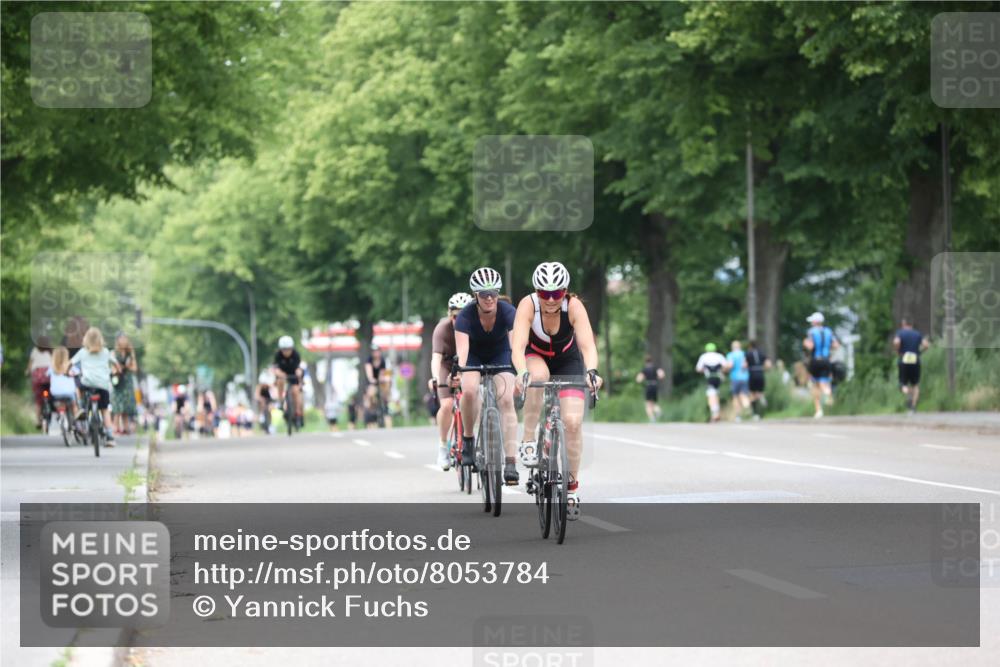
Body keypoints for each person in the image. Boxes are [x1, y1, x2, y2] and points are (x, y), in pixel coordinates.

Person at [513, 261, 602, 519]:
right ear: (537, 292)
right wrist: (521, 373)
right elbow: (518, 346)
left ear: (565, 291)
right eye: (545, 293)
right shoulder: (528, 305)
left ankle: (572, 487)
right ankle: (529, 439)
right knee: (537, 377)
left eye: (557, 293)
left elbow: (588, 346)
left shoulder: (573, 306)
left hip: (568, 359)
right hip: (535, 355)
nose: (551, 299)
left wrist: (592, 371)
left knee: (573, 422)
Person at [454, 267, 518, 482]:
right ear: (476, 296)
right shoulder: (465, 315)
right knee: (470, 391)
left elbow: (515, 345)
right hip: (474, 355)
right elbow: (462, 352)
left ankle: (510, 462)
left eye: (493, 293)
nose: (490, 298)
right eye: (484, 294)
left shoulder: (508, 311)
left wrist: (520, 369)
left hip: (501, 354)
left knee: (507, 398)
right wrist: (460, 370)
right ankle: (469, 441)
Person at [428, 292, 475, 470]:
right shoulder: (442, 329)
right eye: (456, 317)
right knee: (447, 405)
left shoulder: (476, 328)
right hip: (447, 365)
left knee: (472, 397)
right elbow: (436, 358)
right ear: (450, 316)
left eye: (464, 316)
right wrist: (435, 377)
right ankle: (442, 445)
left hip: (468, 365)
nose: (459, 321)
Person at [69, 327, 118, 446]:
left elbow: (70, 363)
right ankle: (110, 437)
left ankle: (81, 406)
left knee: (78, 384)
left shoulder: (82, 352)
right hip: (103, 385)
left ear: (86, 340)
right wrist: (117, 370)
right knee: (105, 411)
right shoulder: (105, 351)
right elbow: (116, 363)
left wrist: (66, 371)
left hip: (87, 384)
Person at [803, 312, 840, 418]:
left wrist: (805, 343)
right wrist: (828, 348)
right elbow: (836, 345)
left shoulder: (811, 332)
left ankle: (819, 410)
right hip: (827, 360)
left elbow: (810, 346)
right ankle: (828, 393)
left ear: (815, 322)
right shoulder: (829, 331)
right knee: (825, 382)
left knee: (815, 385)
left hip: (816, 360)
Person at [894, 316, 929, 414]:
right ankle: (913, 407)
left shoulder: (900, 333)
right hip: (915, 358)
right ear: (912, 325)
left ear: (904, 324)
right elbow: (926, 345)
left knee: (902, 384)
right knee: (915, 384)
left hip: (904, 358)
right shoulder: (917, 334)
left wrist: (898, 351)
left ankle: (908, 393)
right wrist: (920, 352)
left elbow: (896, 342)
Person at [274, 335, 304, 427]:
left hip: (293, 374)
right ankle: (280, 400)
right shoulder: (278, 355)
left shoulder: (296, 355)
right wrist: (279, 373)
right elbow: (276, 368)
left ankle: (298, 413)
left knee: (296, 391)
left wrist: (298, 373)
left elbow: (299, 368)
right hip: (282, 374)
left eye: (288, 349)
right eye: (284, 349)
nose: (286, 352)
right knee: (280, 381)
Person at [111, 334, 138, 435]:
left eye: (125, 339)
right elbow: (112, 369)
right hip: (118, 381)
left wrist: (127, 367)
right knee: (117, 405)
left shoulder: (130, 353)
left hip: (127, 381)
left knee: (126, 406)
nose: (123, 341)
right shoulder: (114, 353)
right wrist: (118, 369)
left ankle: (126, 428)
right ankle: (116, 427)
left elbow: (135, 368)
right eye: (121, 339)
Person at [25, 337, 53, 429]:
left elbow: (30, 364)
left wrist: (27, 371)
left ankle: (38, 420)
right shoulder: (50, 351)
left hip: (37, 377)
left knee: (38, 400)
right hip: (48, 376)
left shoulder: (35, 351)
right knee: (52, 393)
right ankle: (52, 406)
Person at [695, 343, 727, 422]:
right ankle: (717, 413)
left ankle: (714, 413)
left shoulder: (704, 357)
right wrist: (722, 371)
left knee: (711, 395)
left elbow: (698, 368)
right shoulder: (719, 356)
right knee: (716, 394)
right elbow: (726, 366)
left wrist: (704, 370)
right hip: (719, 377)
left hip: (710, 377)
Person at [365, 344, 392, 428]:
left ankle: (386, 399)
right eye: (374, 352)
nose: (376, 353)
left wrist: (384, 379)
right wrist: (372, 379)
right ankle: (370, 408)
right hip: (372, 381)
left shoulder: (383, 360)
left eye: (377, 351)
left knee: (387, 384)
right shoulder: (369, 360)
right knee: (371, 393)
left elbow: (383, 372)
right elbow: (369, 373)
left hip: (380, 381)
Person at [46, 346, 77, 416]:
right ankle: (78, 422)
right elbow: (77, 372)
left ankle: (61, 415)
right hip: (69, 392)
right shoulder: (70, 366)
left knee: (60, 404)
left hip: (55, 392)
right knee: (74, 405)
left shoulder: (52, 367)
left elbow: (47, 374)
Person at [745, 340, 771, 420]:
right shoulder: (762, 353)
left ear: (750, 346)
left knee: (752, 394)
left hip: (752, 373)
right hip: (760, 372)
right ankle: (761, 397)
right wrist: (764, 369)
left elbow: (744, 365)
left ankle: (755, 413)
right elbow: (768, 364)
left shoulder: (748, 353)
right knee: (759, 391)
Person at [726, 340, 751, 421]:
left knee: (736, 397)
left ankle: (738, 416)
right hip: (745, 377)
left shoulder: (731, 355)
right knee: (744, 395)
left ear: (732, 347)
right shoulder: (744, 354)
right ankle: (747, 408)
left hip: (735, 377)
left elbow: (730, 365)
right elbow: (746, 365)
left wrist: (725, 369)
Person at [635, 356, 665, 422]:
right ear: (651, 361)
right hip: (655, 385)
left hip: (648, 386)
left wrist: (641, 379)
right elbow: (662, 375)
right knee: (654, 403)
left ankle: (652, 418)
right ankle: (658, 411)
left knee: (648, 404)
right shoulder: (656, 368)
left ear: (645, 362)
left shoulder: (644, 369)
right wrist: (658, 378)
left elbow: (638, 379)